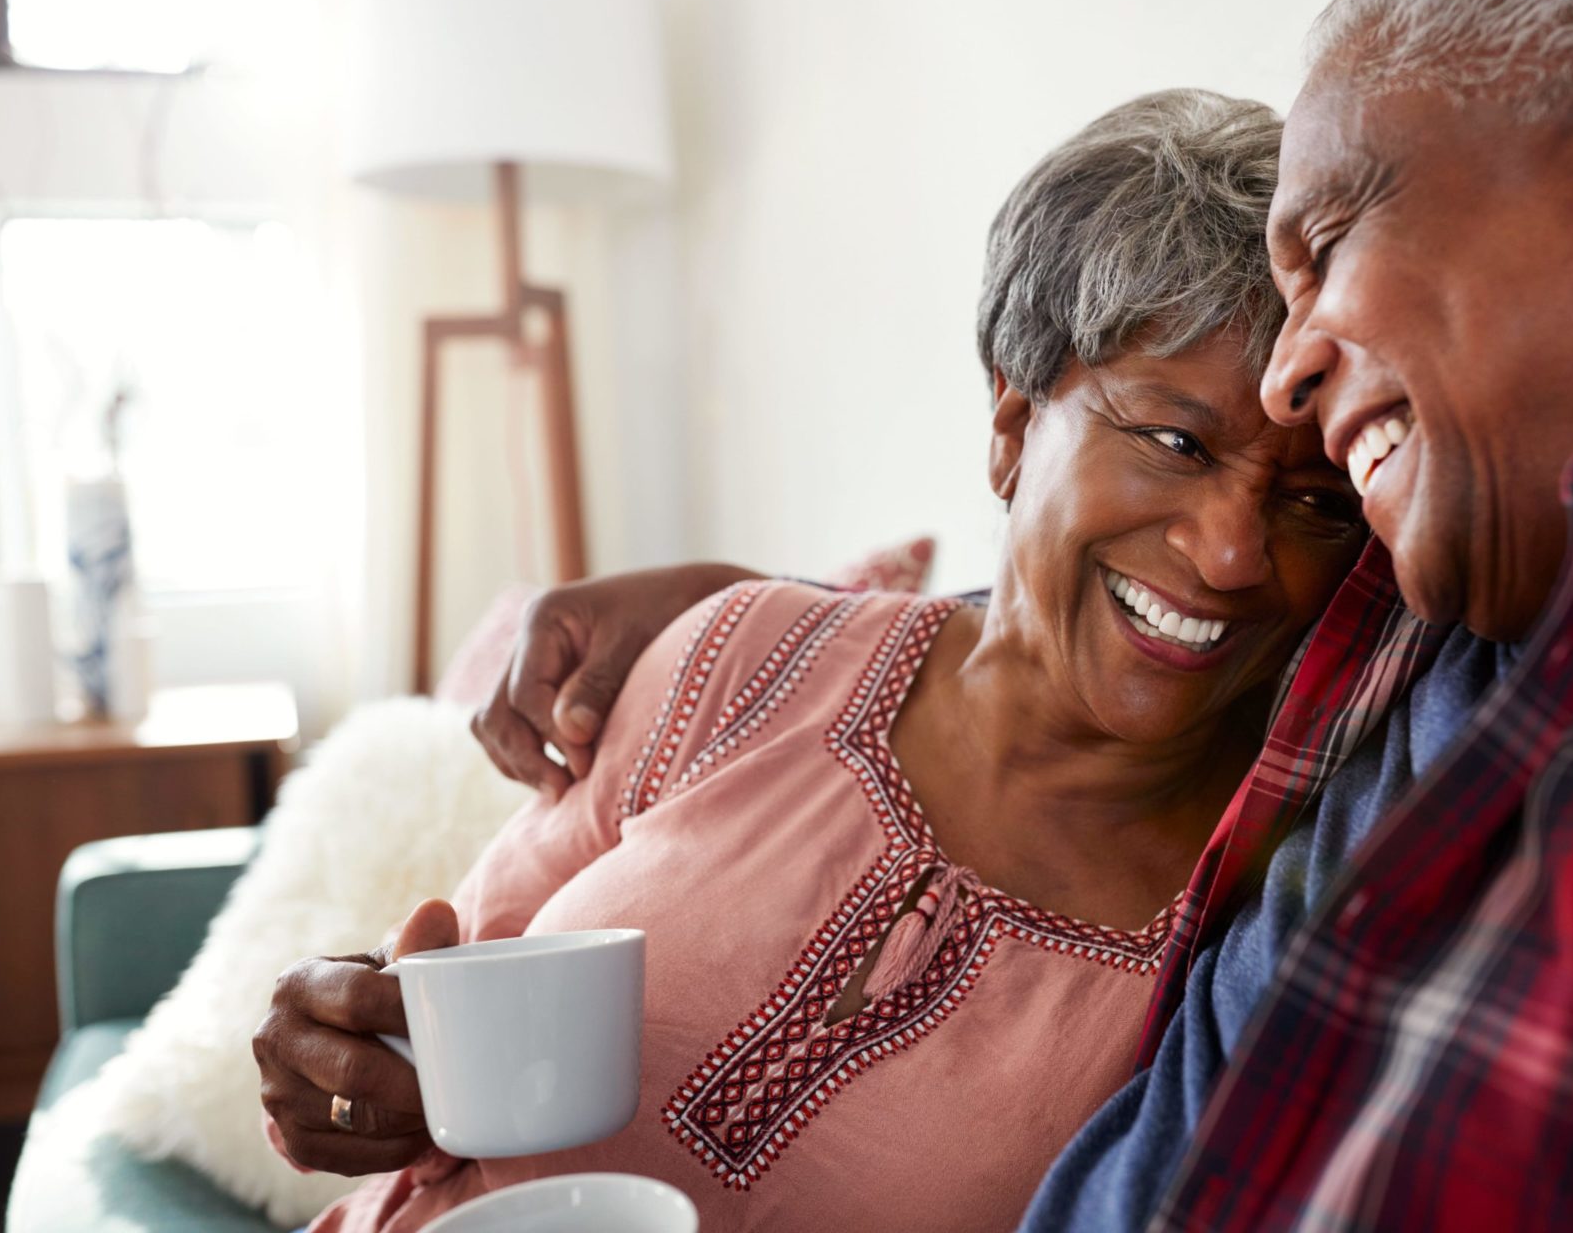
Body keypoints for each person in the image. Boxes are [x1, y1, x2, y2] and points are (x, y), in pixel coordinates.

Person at [487, 0, 1573, 1228]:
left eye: (1331, 237)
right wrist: (727, 624)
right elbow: (1026, 647)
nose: (1294, 373)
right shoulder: (1430, 638)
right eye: (1177, 434)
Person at [254, 90, 1374, 1233]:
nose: (1236, 552)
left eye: (1315, 500)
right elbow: (435, 997)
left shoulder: (1254, 929)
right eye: (1175, 442)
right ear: (1012, 419)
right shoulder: (742, 653)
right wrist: (344, 1056)